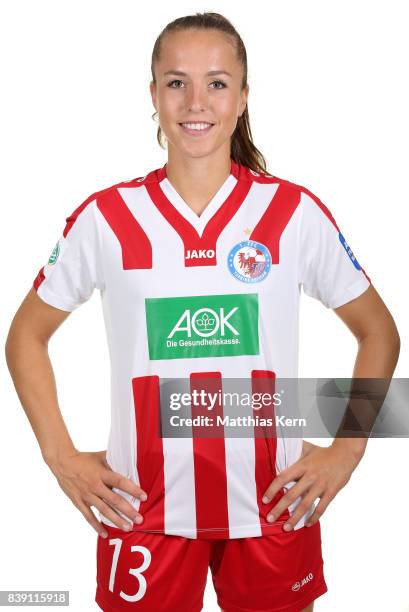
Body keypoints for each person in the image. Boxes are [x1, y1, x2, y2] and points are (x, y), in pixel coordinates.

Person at [5, 11, 400, 612]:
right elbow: (26, 336)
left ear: (243, 98)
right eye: (176, 82)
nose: (196, 101)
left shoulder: (292, 212)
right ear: (153, 95)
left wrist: (348, 447)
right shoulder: (106, 217)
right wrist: (59, 456)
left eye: (217, 83)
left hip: (273, 505)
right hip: (142, 508)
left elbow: (380, 332)